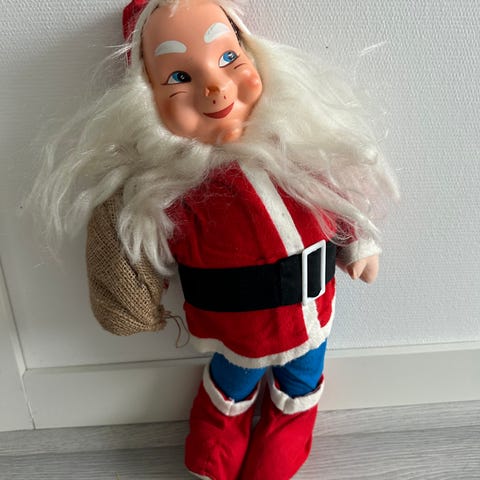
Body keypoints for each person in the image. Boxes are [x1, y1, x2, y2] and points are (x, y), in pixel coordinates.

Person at [30, 0, 399, 478]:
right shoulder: (170, 189)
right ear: (146, 99)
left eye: (228, 58)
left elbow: (337, 193)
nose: (215, 86)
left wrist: (359, 242)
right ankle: (218, 437)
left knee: (302, 380)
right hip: (234, 332)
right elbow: (135, 241)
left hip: (313, 313)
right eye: (179, 77)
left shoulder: (298, 148)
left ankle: (288, 429)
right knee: (230, 384)